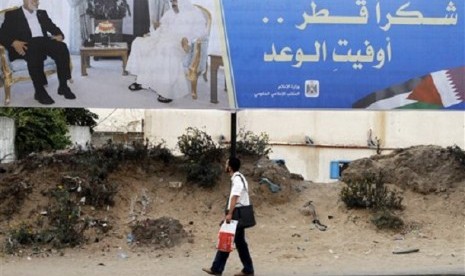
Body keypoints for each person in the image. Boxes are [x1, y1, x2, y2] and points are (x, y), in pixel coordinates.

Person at [126, 0, 207, 103]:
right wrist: (154, 32)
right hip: (163, 38)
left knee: (166, 48)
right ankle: (142, 81)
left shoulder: (195, 13)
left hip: (180, 43)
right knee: (138, 42)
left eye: (175, 1)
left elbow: (201, 32)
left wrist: (189, 39)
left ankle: (167, 91)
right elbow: (162, 27)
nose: (173, 4)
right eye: (172, 1)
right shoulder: (170, 12)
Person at [0, 0, 75, 105]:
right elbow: (2, 34)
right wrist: (14, 42)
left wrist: (59, 34)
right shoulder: (12, 15)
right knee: (34, 51)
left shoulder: (42, 13)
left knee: (62, 47)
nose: (36, 2)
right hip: (26, 44)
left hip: (43, 41)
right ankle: (39, 91)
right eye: (33, 0)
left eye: (37, 0)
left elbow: (53, 27)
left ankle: (63, 86)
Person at [202, 157, 255, 276]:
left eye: (226, 164)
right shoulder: (241, 177)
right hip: (239, 214)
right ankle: (248, 269)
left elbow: (235, 197)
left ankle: (217, 268)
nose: (225, 166)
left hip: (236, 214)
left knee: (226, 238)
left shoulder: (236, 179)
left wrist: (230, 213)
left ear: (230, 167)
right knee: (240, 243)